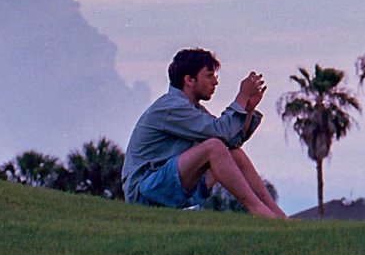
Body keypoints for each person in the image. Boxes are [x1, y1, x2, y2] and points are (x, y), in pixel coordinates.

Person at [122, 48, 286, 217]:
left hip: (162, 187)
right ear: (189, 80)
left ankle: (277, 215)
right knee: (213, 146)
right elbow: (220, 134)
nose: (215, 82)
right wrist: (241, 97)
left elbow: (230, 142)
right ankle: (257, 210)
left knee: (232, 152)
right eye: (209, 75)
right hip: (144, 192)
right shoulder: (172, 107)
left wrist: (248, 109)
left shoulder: (193, 109)